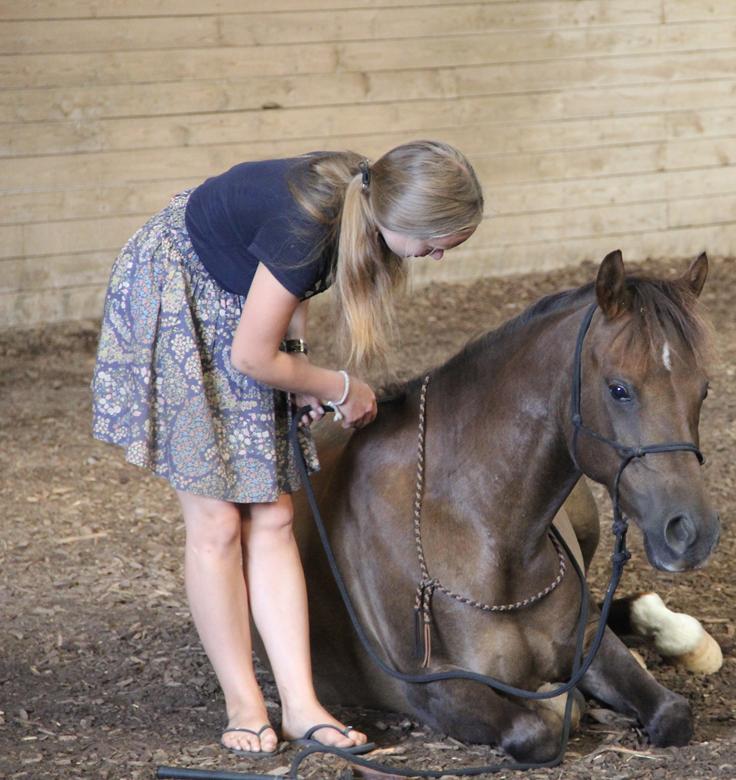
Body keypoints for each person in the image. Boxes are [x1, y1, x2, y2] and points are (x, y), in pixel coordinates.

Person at [91, 141, 483, 757]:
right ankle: (243, 702)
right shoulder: (315, 220)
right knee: (218, 521)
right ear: (397, 217)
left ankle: (301, 705)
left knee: (273, 513)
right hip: (177, 290)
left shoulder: (356, 205)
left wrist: (296, 367)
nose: (436, 256)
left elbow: (283, 291)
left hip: (236, 302)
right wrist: (338, 386)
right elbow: (252, 353)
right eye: (434, 242)